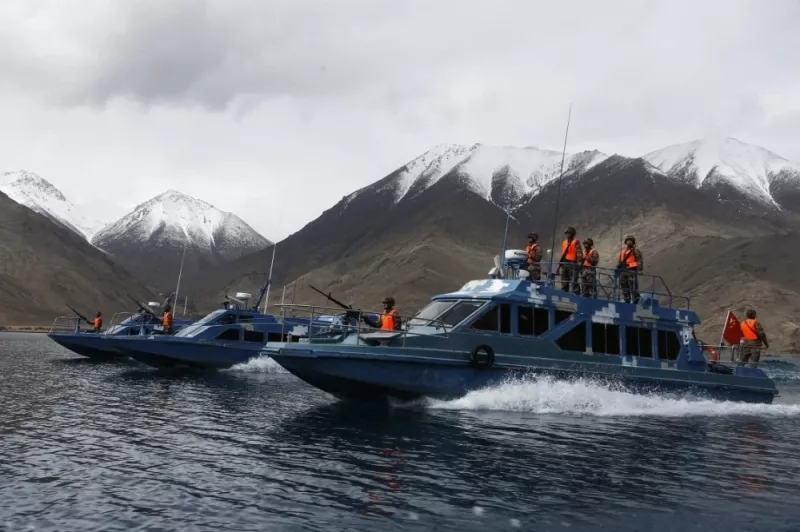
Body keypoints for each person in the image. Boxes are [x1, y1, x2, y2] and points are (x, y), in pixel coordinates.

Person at [618, 235, 643, 303]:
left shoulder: (635, 251)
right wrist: (619, 265)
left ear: (633, 242)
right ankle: (627, 301)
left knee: (633, 287)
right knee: (624, 288)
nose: (629, 242)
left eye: (630, 240)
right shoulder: (623, 252)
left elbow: (639, 260)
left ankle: (635, 300)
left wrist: (640, 269)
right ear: (626, 242)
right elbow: (619, 261)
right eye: (628, 240)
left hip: (632, 271)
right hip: (623, 272)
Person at [559, 226, 582, 294]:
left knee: (574, 280)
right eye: (566, 233)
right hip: (565, 263)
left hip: (572, 264)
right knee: (564, 280)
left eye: (569, 233)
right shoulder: (564, 242)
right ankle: (564, 293)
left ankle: (576, 295)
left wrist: (579, 264)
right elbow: (563, 253)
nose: (567, 235)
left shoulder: (576, 242)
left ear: (572, 234)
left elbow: (579, 254)